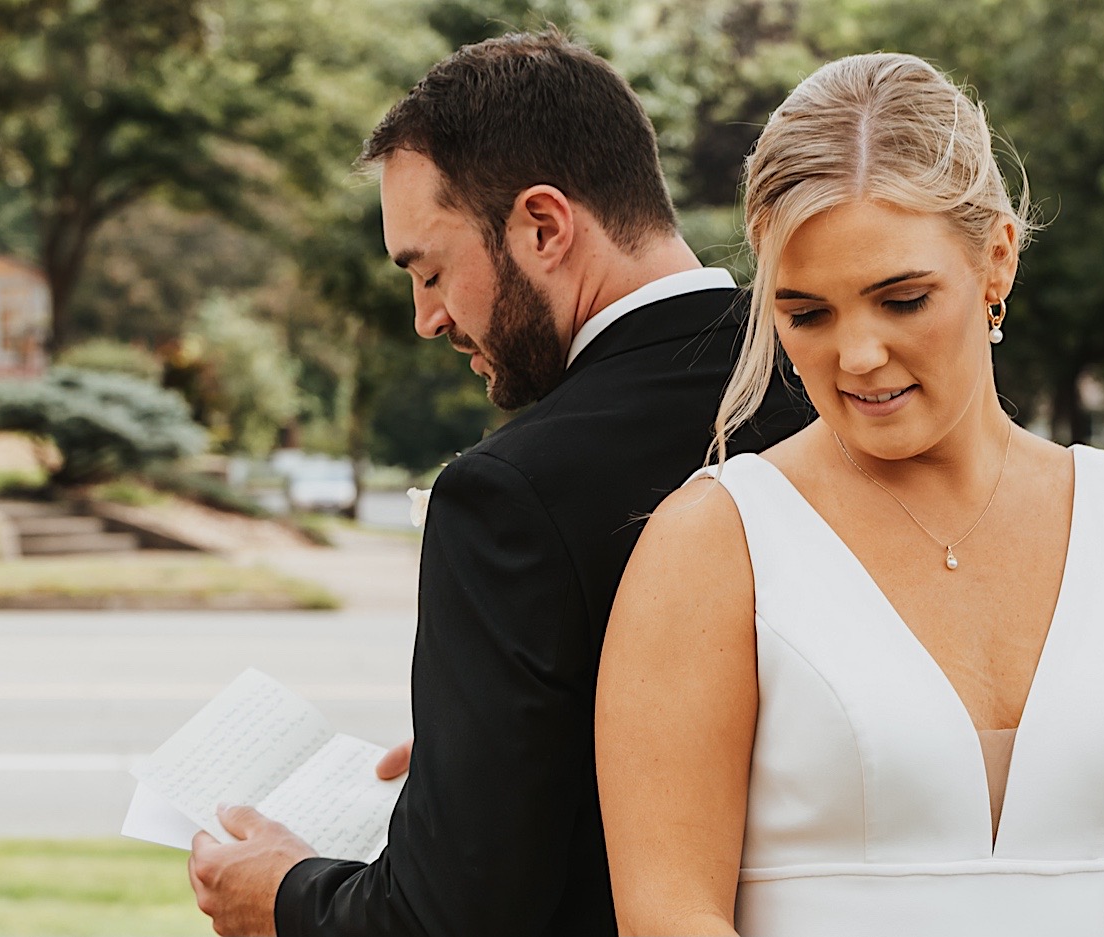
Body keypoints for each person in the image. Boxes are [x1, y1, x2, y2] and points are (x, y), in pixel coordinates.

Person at [596, 52, 1104, 937]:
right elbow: (671, 912)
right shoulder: (715, 542)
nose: (855, 354)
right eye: (807, 313)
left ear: (997, 261)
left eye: (901, 299)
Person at [184, 29, 807, 937]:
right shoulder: (839, 389)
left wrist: (281, 893)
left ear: (544, 227)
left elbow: (452, 916)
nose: (427, 317)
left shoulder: (510, 493)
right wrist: (481, 760)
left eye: (430, 270)